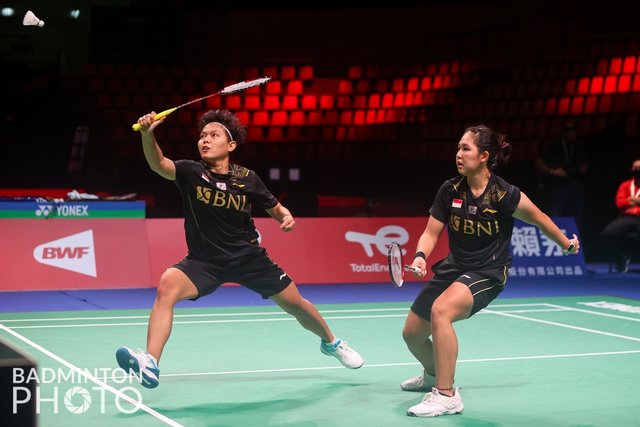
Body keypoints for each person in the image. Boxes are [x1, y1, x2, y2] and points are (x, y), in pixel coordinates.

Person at [116, 109, 363, 389]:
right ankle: (150, 362)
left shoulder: (247, 178)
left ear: (231, 145)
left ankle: (332, 343)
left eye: (214, 135)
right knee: (167, 286)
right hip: (204, 261)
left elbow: (274, 206)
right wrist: (148, 135)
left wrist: (285, 217)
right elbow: (158, 164)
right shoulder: (191, 172)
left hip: (248, 258)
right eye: (202, 136)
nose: (205, 140)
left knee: (297, 306)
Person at [400, 125, 580, 418]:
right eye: (458, 148)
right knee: (411, 335)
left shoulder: (504, 195)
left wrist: (566, 245)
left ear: (484, 156)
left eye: (466, 149)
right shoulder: (450, 190)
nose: (458, 155)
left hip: (488, 271)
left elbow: (540, 219)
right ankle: (433, 375)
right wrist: (421, 256)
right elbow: (431, 232)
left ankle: (446, 395)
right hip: (454, 267)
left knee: (441, 312)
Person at [534, 120, 589, 230]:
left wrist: (580, 169)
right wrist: (552, 171)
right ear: (564, 132)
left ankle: (575, 244)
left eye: (574, 131)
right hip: (559, 187)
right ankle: (553, 242)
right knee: (556, 217)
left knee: (577, 218)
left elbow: (585, 163)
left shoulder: (579, 145)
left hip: (576, 186)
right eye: (569, 131)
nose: (572, 134)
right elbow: (538, 163)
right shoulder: (555, 145)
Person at [600, 158, 640, 273]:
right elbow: (620, 203)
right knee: (607, 234)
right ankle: (622, 257)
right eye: (635, 168)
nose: (637, 170)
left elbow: (626, 203)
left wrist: (632, 200)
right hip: (626, 219)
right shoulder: (625, 185)